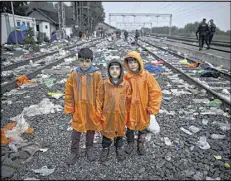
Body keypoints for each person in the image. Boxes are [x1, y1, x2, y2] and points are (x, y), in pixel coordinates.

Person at [64, 48, 103, 165]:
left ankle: (89, 148)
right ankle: (74, 151)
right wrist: (70, 107)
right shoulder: (74, 74)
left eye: (87, 61)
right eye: (81, 61)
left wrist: (99, 109)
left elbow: (100, 93)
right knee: (76, 131)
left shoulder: (96, 75)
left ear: (91, 61)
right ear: (78, 61)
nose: (84, 64)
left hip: (92, 109)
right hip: (78, 108)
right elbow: (69, 92)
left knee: (91, 130)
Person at [123, 51, 162, 155]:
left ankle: (140, 144)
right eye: (130, 62)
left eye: (135, 61)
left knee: (142, 127)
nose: (133, 64)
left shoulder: (147, 76)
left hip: (143, 108)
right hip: (130, 108)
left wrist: (152, 108)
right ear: (127, 64)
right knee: (130, 127)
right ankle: (130, 143)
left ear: (139, 62)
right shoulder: (126, 77)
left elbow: (155, 92)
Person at [99, 59, 132, 162]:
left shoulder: (126, 85)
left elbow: (129, 100)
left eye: (117, 68)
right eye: (112, 68)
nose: (114, 71)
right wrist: (99, 113)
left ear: (121, 70)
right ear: (108, 70)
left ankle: (118, 147)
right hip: (108, 115)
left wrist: (128, 113)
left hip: (121, 114)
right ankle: (105, 148)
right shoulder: (104, 84)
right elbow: (100, 99)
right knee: (106, 133)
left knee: (120, 133)